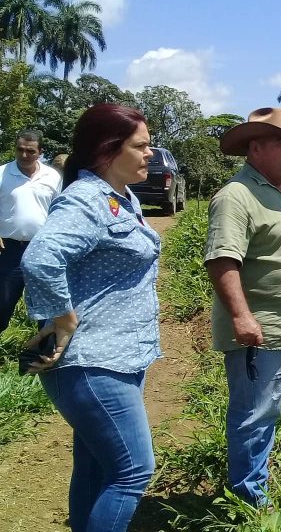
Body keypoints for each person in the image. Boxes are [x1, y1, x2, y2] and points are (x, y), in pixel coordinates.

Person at [19, 104, 161, 532]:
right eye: (141, 145)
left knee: (97, 468)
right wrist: (62, 319)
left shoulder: (122, 197)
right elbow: (41, 259)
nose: (151, 153)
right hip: (92, 362)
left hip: (117, 357)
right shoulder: (85, 200)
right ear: (107, 151)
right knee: (133, 471)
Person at [204, 107, 281, 507]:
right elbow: (223, 260)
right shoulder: (236, 196)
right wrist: (241, 316)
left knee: (265, 411)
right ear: (255, 148)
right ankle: (249, 500)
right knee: (254, 415)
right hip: (261, 330)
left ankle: (254, 485)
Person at [0, 130, 62, 333]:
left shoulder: (52, 176)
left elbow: (58, 211)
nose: (24, 155)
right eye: (20, 150)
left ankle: (44, 357)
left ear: (40, 152)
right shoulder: (2, 173)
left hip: (42, 251)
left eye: (30, 151)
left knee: (46, 310)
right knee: (3, 304)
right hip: (9, 252)